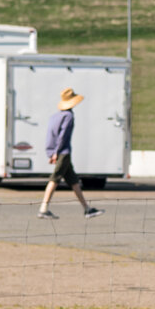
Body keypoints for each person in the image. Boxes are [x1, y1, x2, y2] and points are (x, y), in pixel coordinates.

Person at [38, 86, 99, 218]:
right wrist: (56, 152)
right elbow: (63, 136)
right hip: (63, 152)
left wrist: (51, 151)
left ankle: (86, 208)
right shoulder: (69, 116)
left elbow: (51, 135)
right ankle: (43, 208)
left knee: (73, 181)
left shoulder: (54, 116)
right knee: (55, 179)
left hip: (57, 151)